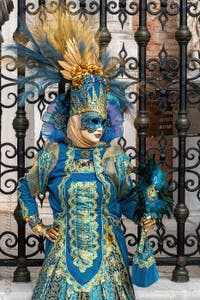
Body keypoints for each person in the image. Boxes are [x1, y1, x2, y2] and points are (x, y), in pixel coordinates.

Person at [16, 13, 155, 300]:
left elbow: (127, 198)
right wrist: (38, 226)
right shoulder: (52, 155)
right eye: (92, 121)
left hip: (109, 261)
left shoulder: (114, 156)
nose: (98, 129)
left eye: (103, 122)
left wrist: (143, 215)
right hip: (61, 260)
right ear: (75, 119)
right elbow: (25, 189)